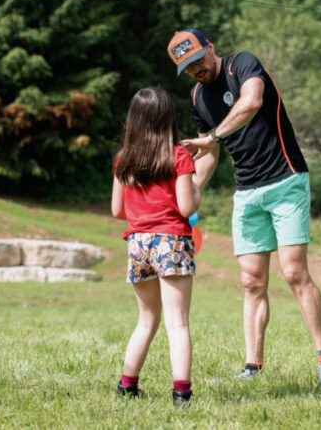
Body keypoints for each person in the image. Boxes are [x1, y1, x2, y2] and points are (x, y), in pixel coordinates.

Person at [167, 29, 321, 389]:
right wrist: (190, 193)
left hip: (285, 179)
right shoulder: (198, 96)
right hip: (246, 191)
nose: (196, 69)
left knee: (294, 272)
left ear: (210, 48)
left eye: (198, 60)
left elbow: (251, 103)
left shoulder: (242, 64)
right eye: (187, 67)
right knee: (251, 281)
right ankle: (253, 366)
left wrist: (213, 136)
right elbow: (208, 155)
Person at [111, 87, 219, 405]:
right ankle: (181, 394)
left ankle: (127, 386)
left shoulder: (123, 160)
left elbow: (118, 211)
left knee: (146, 320)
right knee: (178, 322)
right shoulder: (178, 156)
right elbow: (187, 207)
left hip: (138, 244)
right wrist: (196, 188)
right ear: (167, 118)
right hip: (171, 241)